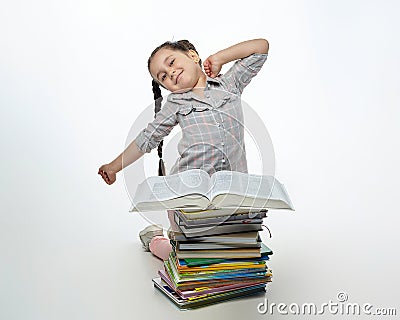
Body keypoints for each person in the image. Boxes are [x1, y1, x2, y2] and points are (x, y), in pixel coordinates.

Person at [98, 38, 269, 260]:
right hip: (189, 198)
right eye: (163, 77)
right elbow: (146, 139)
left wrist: (218, 58)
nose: (170, 74)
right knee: (188, 258)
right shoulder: (175, 104)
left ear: (192, 55)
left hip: (231, 195)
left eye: (171, 63)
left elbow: (261, 48)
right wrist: (113, 167)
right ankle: (156, 240)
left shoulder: (229, 85)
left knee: (235, 256)